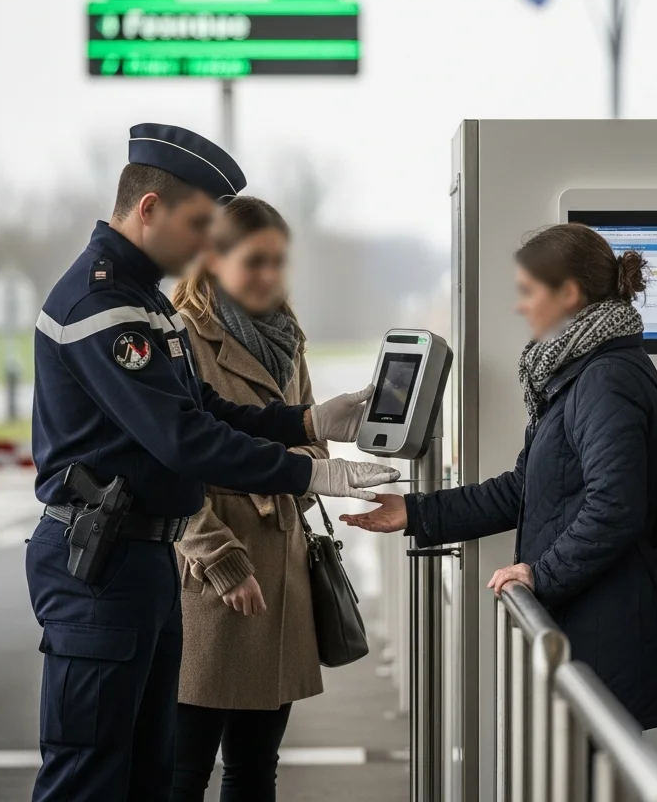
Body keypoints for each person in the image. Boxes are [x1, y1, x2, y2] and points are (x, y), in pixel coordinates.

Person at [27, 124, 398, 802]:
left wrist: (311, 422)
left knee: (146, 774)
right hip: (102, 564)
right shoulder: (102, 305)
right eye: (198, 225)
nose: (205, 245)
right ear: (149, 209)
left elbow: (203, 410)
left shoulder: (144, 303)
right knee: (90, 776)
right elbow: (183, 441)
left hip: (142, 561)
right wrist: (311, 472)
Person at [341, 223, 657, 730]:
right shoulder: (579, 372)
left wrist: (538, 574)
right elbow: (521, 489)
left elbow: (616, 506)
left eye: (528, 292)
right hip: (587, 621)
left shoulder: (605, 378)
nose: (519, 306)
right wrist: (416, 512)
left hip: (606, 629)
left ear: (568, 294)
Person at [167, 197, 327, 801]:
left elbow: (316, 451)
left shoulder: (288, 339)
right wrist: (219, 557)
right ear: (212, 258)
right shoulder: (182, 336)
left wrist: (289, 469)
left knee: (257, 768)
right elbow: (167, 463)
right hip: (207, 578)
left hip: (279, 570)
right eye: (254, 261)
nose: (269, 276)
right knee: (184, 769)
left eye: (278, 262)